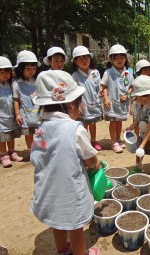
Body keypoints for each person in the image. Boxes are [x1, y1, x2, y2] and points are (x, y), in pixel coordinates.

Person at [30, 70, 100, 255]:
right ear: (70, 104)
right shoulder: (76, 129)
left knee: (57, 223)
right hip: (70, 193)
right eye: (80, 103)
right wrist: (96, 166)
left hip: (49, 191)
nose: (82, 108)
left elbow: (36, 158)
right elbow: (91, 160)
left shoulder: (41, 129)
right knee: (76, 228)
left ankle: (62, 250)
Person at [0, 56, 23, 167]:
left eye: (7, 71)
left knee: (11, 135)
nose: (5, 74)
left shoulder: (11, 84)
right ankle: (4, 155)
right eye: (1, 72)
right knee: (2, 137)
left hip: (10, 116)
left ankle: (12, 151)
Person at [101, 44, 133, 153]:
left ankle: (118, 138)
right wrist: (106, 99)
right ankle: (113, 141)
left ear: (125, 58)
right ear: (111, 59)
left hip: (123, 103)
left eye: (122, 57)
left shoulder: (128, 73)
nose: (120, 60)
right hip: (111, 102)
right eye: (116, 58)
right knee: (113, 122)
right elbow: (104, 86)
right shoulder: (108, 72)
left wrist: (128, 95)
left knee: (119, 121)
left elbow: (132, 87)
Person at [72, 46, 103, 151]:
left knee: (93, 123)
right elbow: (74, 92)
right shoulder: (75, 76)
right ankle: (85, 142)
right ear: (75, 61)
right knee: (84, 124)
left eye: (86, 58)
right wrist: (77, 105)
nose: (84, 61)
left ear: (90, 59)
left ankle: (93, 140)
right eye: (80, 58)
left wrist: (101, 93)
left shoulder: (95, 73)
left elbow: (99, 86)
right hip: (83, 103)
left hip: (94, 102)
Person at [13, 50, 41, 152]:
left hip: (38, 113)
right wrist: (17, 114)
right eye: (28, 68)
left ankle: (41, 149)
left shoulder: (37, 81)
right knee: (29, 134)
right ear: (21, 69)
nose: (31, 71)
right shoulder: (16, 83)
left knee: (40, 133)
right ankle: (31, 150)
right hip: (25, 113)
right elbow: (16, 100)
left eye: (34, 68)